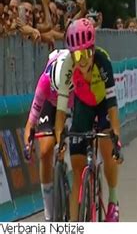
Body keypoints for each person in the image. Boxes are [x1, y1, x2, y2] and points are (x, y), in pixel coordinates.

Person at [54, 18, 123, 222]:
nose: (82, 60)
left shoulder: (103, 61)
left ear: (93, 49)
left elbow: (112, 105)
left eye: (86, 53)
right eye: (76, 54)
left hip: (102, 104)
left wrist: (116, 138)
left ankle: (113, 199)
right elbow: (61, 109)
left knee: (106, 144)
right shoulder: (67, 65)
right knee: (77, 167)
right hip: (83, 104)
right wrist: (59, 139)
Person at [23, 50, 74, 221]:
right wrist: (28, 144)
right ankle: (49, 214)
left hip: (74, 102)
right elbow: (31, 123)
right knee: (45, 151)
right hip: (51, 106)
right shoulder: (45, 81)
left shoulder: (79, 79)